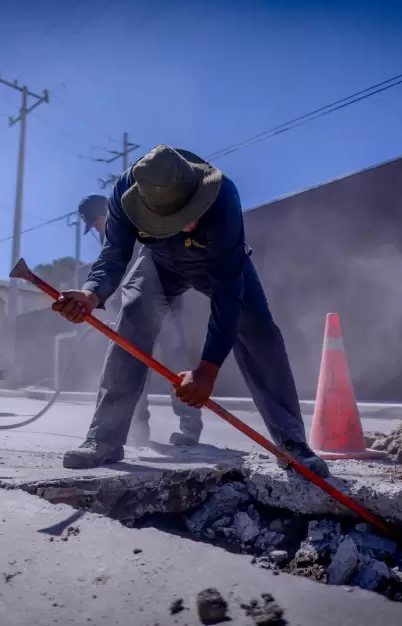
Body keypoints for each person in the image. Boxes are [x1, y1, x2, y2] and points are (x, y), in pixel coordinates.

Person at [53, 145, 330, 479]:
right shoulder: (124, 194)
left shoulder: (223, 194)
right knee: (132, 321)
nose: (189, 223)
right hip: (157, 261)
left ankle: (291, 444)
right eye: (177, 218)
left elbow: (227, 296)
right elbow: (114, 255)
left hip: (218, 260)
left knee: (258, 331)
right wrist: (91, 293)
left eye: (192, 212)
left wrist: (207, 369)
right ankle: (104, 439)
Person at [76, 194, 203, 446]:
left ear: (106, 210)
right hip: (133, 306)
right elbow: (114, 270)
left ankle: (190, 426)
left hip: (164, 299)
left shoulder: (134, 219)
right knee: (132, 361)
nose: (98, 228)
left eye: (97, 221)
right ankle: (138, 427)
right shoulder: (109, 236)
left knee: (175, 360)